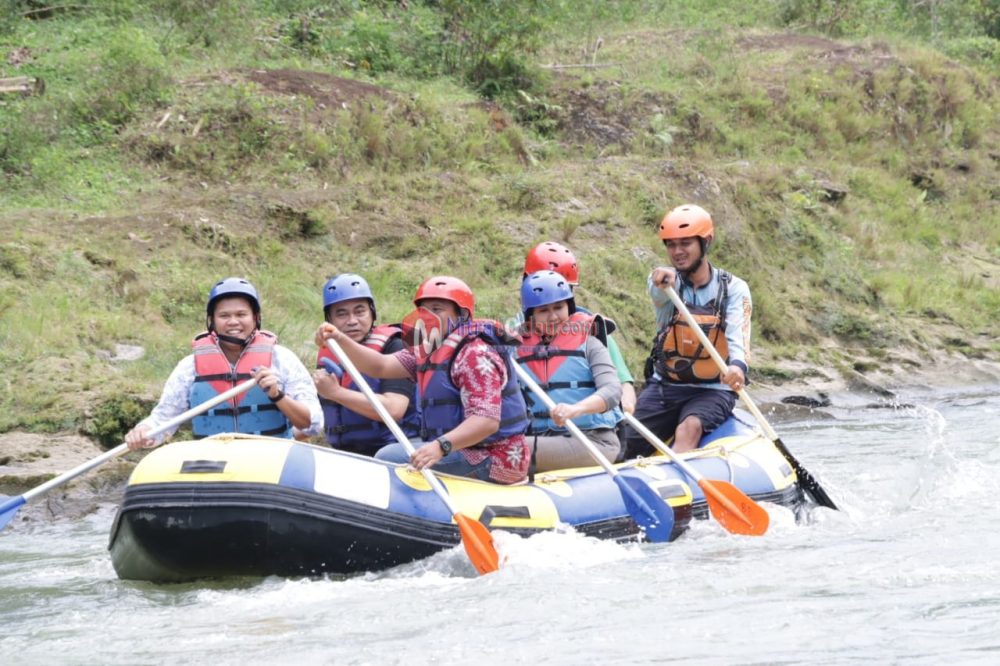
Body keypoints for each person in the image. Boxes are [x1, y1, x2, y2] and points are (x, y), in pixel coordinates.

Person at [315, 276, 531, 484]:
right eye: (423, 310)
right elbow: (380, 365)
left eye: (437, 309)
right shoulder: (427, 349)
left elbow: (486, 422)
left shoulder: (475, 354)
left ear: (462, 315)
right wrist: (338, 338)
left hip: (495, 457)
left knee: (389, 458)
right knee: (400, 452)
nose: (428, 316)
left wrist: (440, 447)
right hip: (457, 448)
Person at [125, 277, 322, 449]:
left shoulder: (282, 360)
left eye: (241, 314)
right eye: (224, 316)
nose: (233, 322)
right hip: (214, 464)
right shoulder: (189, 367)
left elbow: (313, 424)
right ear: (212, 321)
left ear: (256, 318)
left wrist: (277, 395)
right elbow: (163, 418)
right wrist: (143, 431)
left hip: (272, 461)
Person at [625, 204, 751, 455]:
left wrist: (737, 366)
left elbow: (739, 335)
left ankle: (677, 489)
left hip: (714, 389)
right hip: (667, 385)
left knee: (689, 428)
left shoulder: (734, 289)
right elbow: (657, 284)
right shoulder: (666, 286)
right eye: (671, 245)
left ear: (706, 242)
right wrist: (659, 279)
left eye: (685, 244)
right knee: (626, 442)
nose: (677, 251)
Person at [516, 270, 623, 471]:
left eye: (559, 307)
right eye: (543, 310)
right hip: (544, 437)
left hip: (594, 441)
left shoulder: (589, 342)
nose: (553, 316)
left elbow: (612, 391)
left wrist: (577, 409)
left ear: (569, 306)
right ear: (531, 315)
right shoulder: (516, 351)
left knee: (511, 451)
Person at [523, 241, 637, 415]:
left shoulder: (589, 328)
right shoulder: (516, 335)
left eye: (560, 287)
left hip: (588, 427)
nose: (551, 293)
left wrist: (625, 404)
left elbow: (623, 385)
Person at [312, 273, 419, 455]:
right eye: (341, 313)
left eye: (359, 311)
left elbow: (394, 409)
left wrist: (336, 393)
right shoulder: (329, 351)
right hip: (347, 451)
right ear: (330, 319)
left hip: (395, 448)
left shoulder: (396, 345)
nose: (352, 321)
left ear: (372, 312)